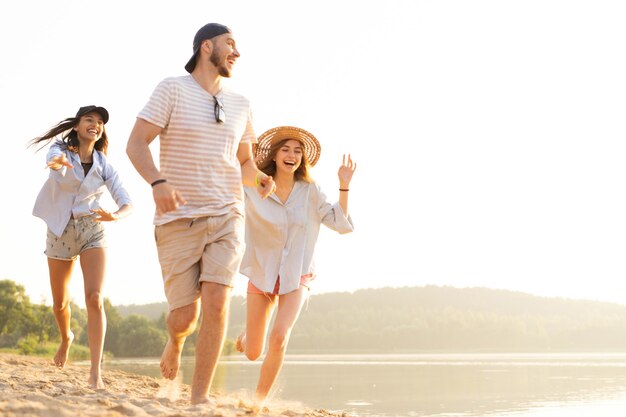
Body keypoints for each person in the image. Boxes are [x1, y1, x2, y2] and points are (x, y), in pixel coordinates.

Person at [125, 22, 275, 405]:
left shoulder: (241, 103)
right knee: (184, 318)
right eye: (230, 44)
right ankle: (174, 341)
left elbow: (244, 162)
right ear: (205, 46)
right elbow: (136, 143)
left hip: (227, 214)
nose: (236, 53)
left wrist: (259, 179)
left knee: (218, 302)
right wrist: (158, 183)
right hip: (177, 218)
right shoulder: (172, 88)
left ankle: (199, 399)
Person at [236, 126, 356, 405]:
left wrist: (344, 185)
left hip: (298, 274)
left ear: (303, 159)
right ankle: (246, 337)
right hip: (262, 271)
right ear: (275, 155)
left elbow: (339, 222)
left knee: (278, 337)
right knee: (254, 351)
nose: (292, 155)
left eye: (298, 151)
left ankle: (258, 402)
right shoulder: (253, 186)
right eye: (286, 149)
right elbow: (230, 203)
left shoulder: (310, 190)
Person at [30, 105, 133, 389]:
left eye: (100, 122)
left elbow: (127, 202)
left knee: (94, 297)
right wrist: (57, 164)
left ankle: (95, 372)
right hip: (59, 230)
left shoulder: (105, 165)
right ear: (77, 126)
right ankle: (66, 337)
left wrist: (115, 215)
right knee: (60, 303)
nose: (95, 124)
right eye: (90, 119)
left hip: (92, 230)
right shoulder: (60, 149)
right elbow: (53, 159)